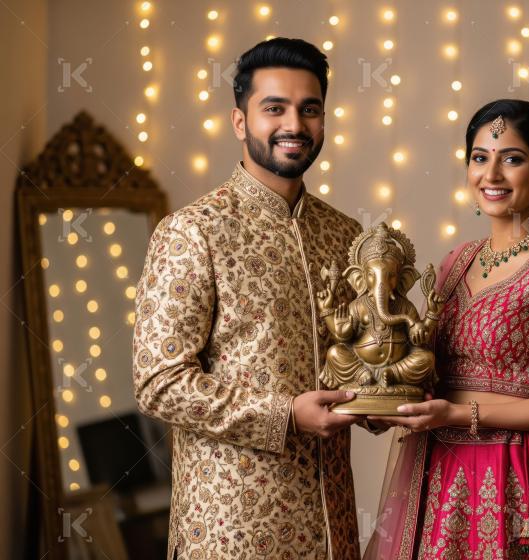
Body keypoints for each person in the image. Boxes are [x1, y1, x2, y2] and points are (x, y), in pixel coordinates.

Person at [132, 38, 367, 559]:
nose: (294, 125)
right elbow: (158, 383)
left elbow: (355, 360)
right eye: (274, 108)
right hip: (231, 529)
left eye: (309, 109)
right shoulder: (194, 231)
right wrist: (284, 414)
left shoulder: (345, 235)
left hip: (333, 528)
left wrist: (382, 398)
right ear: (240, 122)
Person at [364, 99, 529, 559]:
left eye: (511, 159)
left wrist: (459, 414)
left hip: (514, 478)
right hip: (438, 478)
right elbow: (427, 371)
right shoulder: (456, 262)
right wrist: (384, 403)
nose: (491, 174)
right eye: (480, 157)